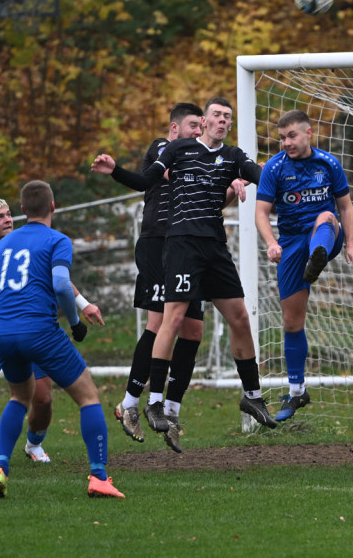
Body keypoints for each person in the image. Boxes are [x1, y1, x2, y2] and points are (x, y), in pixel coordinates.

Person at [93, 96, 277, 433]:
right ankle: (154, 403)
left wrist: (281, 171)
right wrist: (115, 170)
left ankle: (252, 395)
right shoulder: (177, 150)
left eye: (228, 118)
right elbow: (146, 180)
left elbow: (260, 174)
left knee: (239, 316)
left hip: (215, 248)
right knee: (172, 318)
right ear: (204, 122)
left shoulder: (233, 156)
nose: (222, 121)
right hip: (181, 246)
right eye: (217, 116)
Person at [0, 180, 123, 499]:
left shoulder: (2, 245)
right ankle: (99, 476)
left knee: (19, 397)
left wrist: (0, 318)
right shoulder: (58, 240)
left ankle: (0, 469)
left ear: (23, 210)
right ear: (53, 206)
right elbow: (60, 284)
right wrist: (74, 323)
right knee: (88, 396)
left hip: (1, 332)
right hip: (39, 330)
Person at [0, 197, 104, 471]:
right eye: (0, 217)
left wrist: (85, 304)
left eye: (9, 214)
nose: (8, 220)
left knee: (42, 398)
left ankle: (32, 445)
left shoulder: (19, 242)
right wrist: (1, 303)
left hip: (21, 330)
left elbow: (60, 279)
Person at [91, 103, 210, 453]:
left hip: (187, 247)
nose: (195, 132)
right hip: (158, 243)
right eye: (191, 125)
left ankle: (172, 409)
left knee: (193, 329)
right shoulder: (163, 147)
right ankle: (131, 401)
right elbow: (164, 174)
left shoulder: (199, 155)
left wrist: (233, 181)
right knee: (159, 322)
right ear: (174, 128)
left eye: (199, 127)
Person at [254, 110, 353, 421]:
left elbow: (345, 206)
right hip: (290, 243)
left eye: (292, 136)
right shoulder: (274, 167)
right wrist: (271, 243)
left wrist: (352, 247)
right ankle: (297, 391)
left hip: (326, 234)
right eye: (282, 137)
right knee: (291, 322)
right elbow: (261, 212)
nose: (287, 142)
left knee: (325, 217)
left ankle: (317, 257)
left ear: (308, 133)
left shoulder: (328, 163)